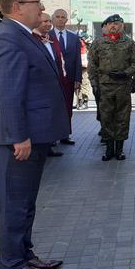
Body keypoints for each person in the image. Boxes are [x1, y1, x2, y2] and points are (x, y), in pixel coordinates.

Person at [0, 0, 70, 269]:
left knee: (25, 202)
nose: (42, 8)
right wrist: (19, 136)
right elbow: (8, 93)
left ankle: (24, 254)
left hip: (29, 136)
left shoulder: (25, 36)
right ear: (18, 7)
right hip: (15, 139)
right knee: (14, 204)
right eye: (37, 2)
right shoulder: (8, 39)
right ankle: (12, 264)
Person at [87, 14, 135, 161]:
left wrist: (125, 73)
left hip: (122, 86)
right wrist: (94, 84)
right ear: (107, 26)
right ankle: (109, 149)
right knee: (106, 118)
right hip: (104, 87)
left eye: (117, 24)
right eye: (111, 24)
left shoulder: (130, 44)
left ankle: (120, 150)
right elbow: (92, 65)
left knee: (122, 118)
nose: (113, 26)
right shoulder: (98, 43)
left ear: (122, 26)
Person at [34, 12, 71, 158]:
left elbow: (59, 61)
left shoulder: (51, 39)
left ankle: (49, 145)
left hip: (56, 84)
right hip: (41, 87)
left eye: (49, 21)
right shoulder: (32, 39)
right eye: (44, 21)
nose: (48, 24)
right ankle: (44, 146)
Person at [49, 9, 82, 145]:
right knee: (53, 107)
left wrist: (77, 79)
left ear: (67, 20)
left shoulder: (74, 38)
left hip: (69, 79)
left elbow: (77, 60)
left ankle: (65, 134)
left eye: (63, 17)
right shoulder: (47, 36)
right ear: (53, 19)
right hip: (53, 80)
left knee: (67, 107)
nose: (60, 19)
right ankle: (51, 136)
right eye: (58, 17)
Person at [75, 33, 92, 109]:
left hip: (85, 68)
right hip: (77, 66)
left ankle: (85, 101)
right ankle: (79, 101)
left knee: (84, 84)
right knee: (77, 85)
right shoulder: (78, 44)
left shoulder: (88, 46)